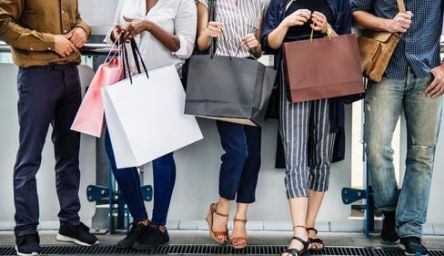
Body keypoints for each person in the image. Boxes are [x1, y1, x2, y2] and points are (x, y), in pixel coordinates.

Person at [351, 0, 444, 255]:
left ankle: (410, 230)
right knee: (376, 149)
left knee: (422, 154)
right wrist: (388, 23)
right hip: (385, 70)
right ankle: (390, 210)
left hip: (428, 73)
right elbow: (356, 12)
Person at [0, 0, 99, 255]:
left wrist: (83, 30)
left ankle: (69, 224)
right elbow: (2, 23)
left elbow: (77, 19)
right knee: (29, 157)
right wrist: (50, 41)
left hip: (69, 75)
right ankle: (25, 231)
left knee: (69, 155)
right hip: (37, 77)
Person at [104, 0, 197, 250]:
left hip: (163, 86)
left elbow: (184, 47)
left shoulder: (183, 2)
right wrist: (117, 33)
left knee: (161, 157)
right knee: (115, 152)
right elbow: (114, 30)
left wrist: (148, 26)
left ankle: (159, 226)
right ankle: (140, 221)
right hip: (128, 84)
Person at [262, 0, 351, 255]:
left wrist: (327, 28)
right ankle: (299, 231)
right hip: (293, 80)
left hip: (330, 82)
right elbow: (268, 42)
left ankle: (310, 224)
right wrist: (287, 22)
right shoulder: (280, 2)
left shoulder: (338, 2)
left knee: (322, 156)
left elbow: (345, 43)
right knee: (295, 154)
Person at [195, 0, 265, 249]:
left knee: (254, 155)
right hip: (221, 79)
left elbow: (258, 51)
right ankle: (221, 208)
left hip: (250, 78)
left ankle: (241, 219)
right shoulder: (208, 1)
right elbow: (201, 45)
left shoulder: (258, 3)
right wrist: (208, 34)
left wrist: (256, 45)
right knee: (238, 151)